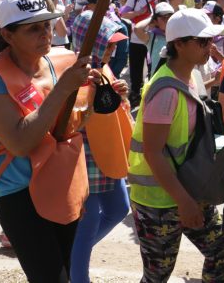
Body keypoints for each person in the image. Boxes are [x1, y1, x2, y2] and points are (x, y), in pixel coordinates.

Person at [0, 0, 99, 281]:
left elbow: (68, 126)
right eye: (33, 28)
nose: (45, 33)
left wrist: (96, 99)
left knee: (65, 273)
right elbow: (20, 142)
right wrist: (64, 88)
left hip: (60, 180)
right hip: (18, 192)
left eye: (46, 24)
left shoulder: (57, 62)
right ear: (8, 35)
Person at [126, 9, 224, 282]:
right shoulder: (166, 91)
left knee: (220, 249)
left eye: (210, 40)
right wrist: (184, 202)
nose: (209, 47)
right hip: (158, 202)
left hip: (189, 188)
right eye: (203, 41)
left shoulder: (191, 77)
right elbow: (153, 152)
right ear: (179, 44)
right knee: (158, 275)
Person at [70, 20, 131, 283]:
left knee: (119, 208)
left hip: (108, 151)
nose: (112, 50)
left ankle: (73, 255)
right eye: (107, 44)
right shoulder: (74, 72)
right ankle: (77, 271)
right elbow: (71, 116)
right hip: (85, 157)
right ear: (91, 43)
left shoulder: (103, 69)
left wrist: (121, 94)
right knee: (88, 223)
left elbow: (114, 106)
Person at [122, 0, 163, 107]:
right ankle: (135, 94)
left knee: (154, 67)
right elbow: (124, 14)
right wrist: (138, 13)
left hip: (153, 38)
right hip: (136, 38)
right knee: (136, 69)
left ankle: (152, 94)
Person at [133, 2, 175, 76]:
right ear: (155, 21)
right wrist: (151, 17)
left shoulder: (177, 35)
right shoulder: (152, 37)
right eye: (164, 18)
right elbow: (137, 29)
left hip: (175, 77)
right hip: (157, 78)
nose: (168, 20)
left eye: (170, 16)